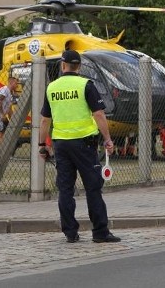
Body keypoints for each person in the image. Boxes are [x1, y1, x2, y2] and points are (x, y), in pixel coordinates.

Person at [39, 49, 121, 244]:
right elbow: (99, 114)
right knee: (93, 188)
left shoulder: (52, 88)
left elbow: (44, 120)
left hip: (61, 146)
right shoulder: (86, 85)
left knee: (65, 189)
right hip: (85, 145)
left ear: (62, 64)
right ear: (79, 66)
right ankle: (100, 232)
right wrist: (108, 139)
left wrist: (43, 145)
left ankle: (70, 232)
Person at [0, 76, 19, 143]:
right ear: (11, 83)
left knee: (8, 129)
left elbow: (9, 108)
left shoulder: (11, 93)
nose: (17, 85)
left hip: (2, 115)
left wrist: (12, 119)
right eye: (16, 83)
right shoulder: (5, 90)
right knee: (2, 132)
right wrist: (2, 114)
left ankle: (2, 147)